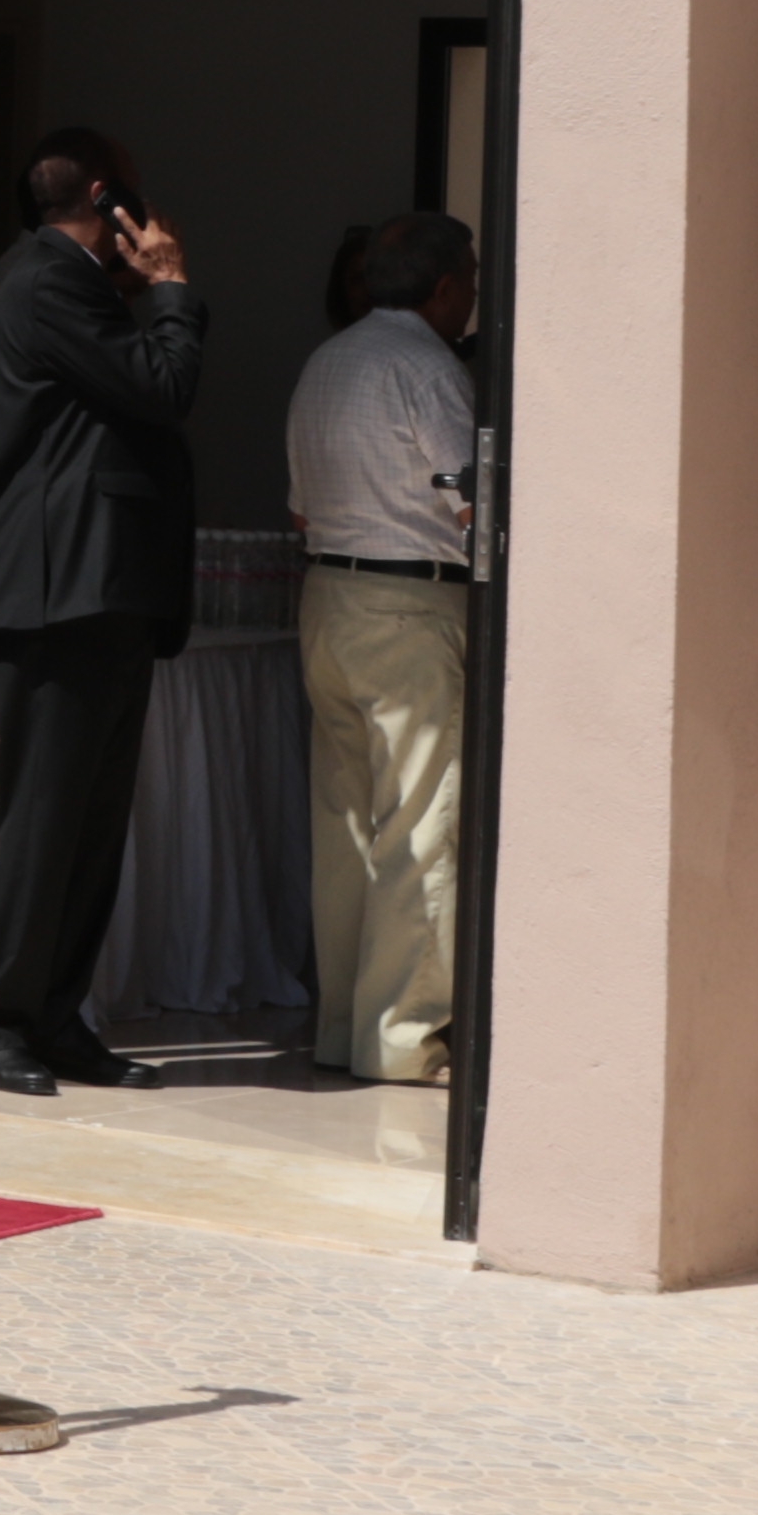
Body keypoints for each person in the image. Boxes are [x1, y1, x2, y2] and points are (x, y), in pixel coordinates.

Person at [0, 125, 204, 1100]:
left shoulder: (76, 287)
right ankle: (2, 1023)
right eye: (136, 200)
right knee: (47, 823)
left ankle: (59, 1017)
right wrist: (176, 292)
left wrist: (142, 302)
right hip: (67, 588)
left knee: (92, 827)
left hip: (105, 589)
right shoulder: (50, 279)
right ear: (107, 200)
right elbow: (163, 386)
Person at [285, 207, 479, 1085]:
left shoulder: (328, 361)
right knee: (420, 822)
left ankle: (340, 1028)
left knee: (347, 827)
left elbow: (298, 504)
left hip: (327, 595)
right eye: (470, 280)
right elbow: (467, 496)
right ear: (445, 289)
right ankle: (401, 1037)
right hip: (409, 602)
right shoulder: (427, 364)